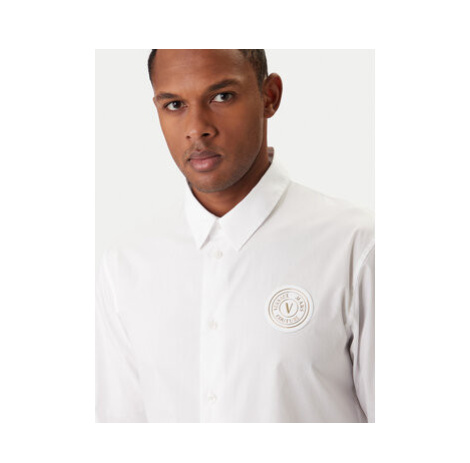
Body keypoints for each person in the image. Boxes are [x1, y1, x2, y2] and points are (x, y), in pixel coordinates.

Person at [95, 49, 375, 423]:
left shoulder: (355, 248)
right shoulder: (126, 266)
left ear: (269, 96)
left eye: (221, 96)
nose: (197, 127)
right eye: (175, 104)